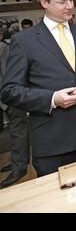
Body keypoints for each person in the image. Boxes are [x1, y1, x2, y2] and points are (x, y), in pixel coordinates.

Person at [0, 0, 76, 177]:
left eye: (71, 0)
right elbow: (9, 91)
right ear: (44, 2)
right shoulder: (24, 41)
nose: (70, 6)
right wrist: (52, 99)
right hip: (52, 143)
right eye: (62, 2)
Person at [0, 20, 34, 188]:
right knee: (16, 130)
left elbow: (10, 77)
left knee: (17, 130)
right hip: (7, 96)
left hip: (12, 97)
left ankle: (19, 167)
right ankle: (18, 161)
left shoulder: (5, 48)